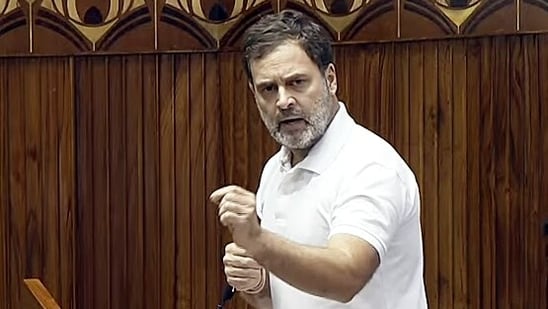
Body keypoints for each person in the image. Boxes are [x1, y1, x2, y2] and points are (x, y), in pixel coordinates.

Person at [209, 9, 428, 309]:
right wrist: (258, 285)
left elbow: (345, 278)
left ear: (330, 79)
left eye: (297, 82)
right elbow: (291, 299)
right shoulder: (275, 170)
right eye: (268, 89)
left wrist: (259, 242)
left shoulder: (370, 165)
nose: (283, 101)